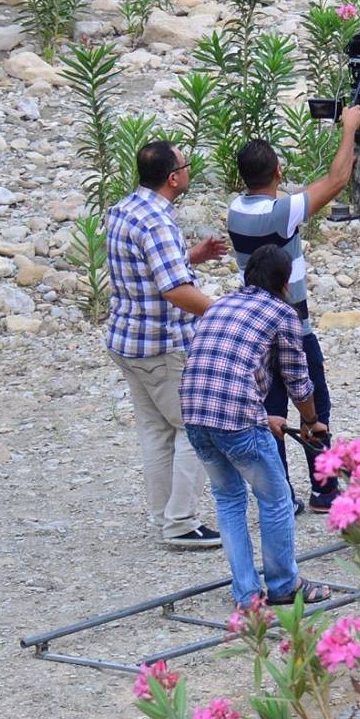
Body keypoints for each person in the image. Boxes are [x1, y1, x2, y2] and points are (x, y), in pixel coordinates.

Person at [179, 245, 332, 610]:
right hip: (236, 419)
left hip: (194, 414)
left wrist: (263, 417)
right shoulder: (283, 313)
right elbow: (298, 381)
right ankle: (283, 585)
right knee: (277, 500)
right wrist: (310, 421)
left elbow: (223, 373)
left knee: (229, 500)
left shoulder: (220, 306)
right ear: (285, 284)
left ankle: (247, 595)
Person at [226, 108, 360, 512]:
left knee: (272, 413)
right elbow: (336, 180)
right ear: (278, 172)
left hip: (257, 331)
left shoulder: (236, 211)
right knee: (313, 405)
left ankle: (280, 493)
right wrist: (349, 130)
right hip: (293, 327)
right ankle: (324, 489)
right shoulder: (279, 215)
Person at [105, 139, 229, 550]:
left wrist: (191, 256)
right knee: (195, 429)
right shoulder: (158, 222)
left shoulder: (124, 209)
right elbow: (174, 290)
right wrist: (223, 314)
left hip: (128, 341)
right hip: (162, 346)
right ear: (174, 178)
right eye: (185, 165)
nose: (189, 170)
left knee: (156, 431)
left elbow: (142, 268)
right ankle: (180, 523)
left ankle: (164, 517)